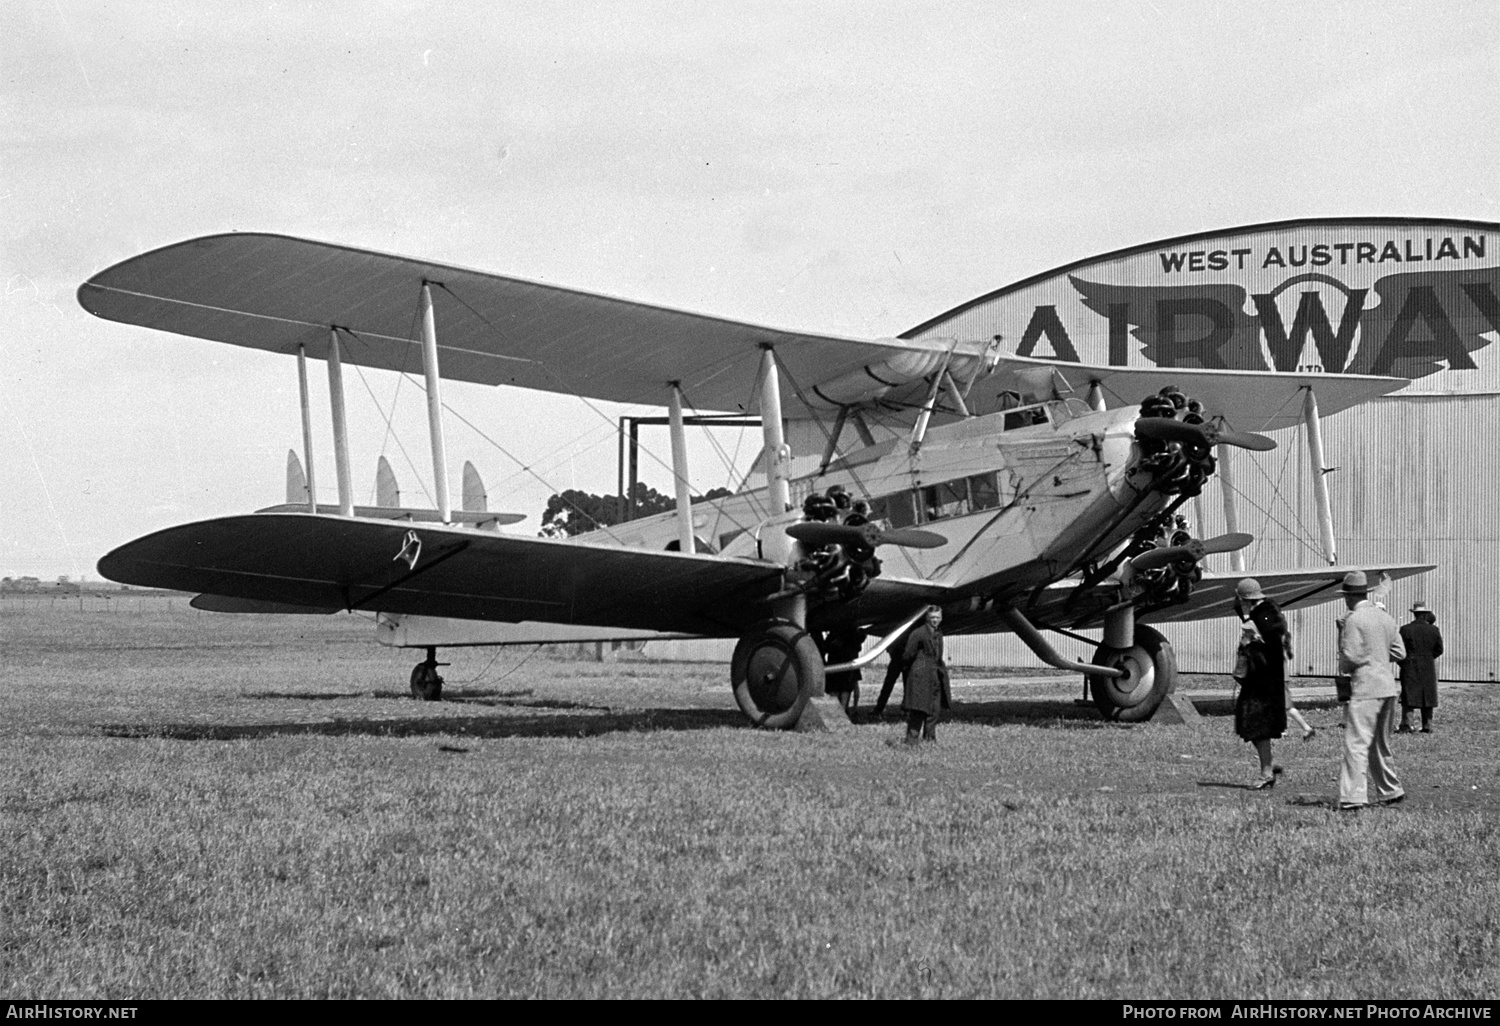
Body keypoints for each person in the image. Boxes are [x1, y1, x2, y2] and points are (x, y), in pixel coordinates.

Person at [1336, 570, 1407, 811]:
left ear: (1347, 596)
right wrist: (1378, 653)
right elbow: (1400, 653)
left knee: (1356, 743)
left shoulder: (1353, 620)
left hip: (1366, 686)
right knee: (1380, 743)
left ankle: (1353, 797)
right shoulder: (1385, 617)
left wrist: (1341, 635)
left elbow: (1351, 657)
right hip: (1387, 685)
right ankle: (1390, 790)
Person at [1234, 578, 1316, 742]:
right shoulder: (1273, 622)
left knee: (1280, 705)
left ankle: (1301, 728)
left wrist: (1248, 645)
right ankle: (1288, 728)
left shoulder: (1255, 623)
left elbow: (1253, 650)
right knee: (1283, 704)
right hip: (1278, 671)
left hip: (1264, 674)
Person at [1231, 578, 1289, 788]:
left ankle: (1266, 772)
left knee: (1256, 725)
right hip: (1269, 678)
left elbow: (1265, 642)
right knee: (1251, 723)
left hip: (1260, 680)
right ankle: (1269, 764)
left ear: (1245, 599)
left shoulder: (1261, 617)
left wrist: (1250, 644)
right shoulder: (1270, 612)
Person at [901, 606, 951, 745]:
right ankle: (911, 742)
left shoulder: (938, 633)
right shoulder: (918, 633)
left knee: (934, 710)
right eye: (932, 618)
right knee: (919, 709)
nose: (935, 620)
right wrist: (918, 666)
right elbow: (907, 654)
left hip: (935, 675)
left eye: (937, 617)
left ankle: (930, 740)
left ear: (941, 618)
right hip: (920, 675)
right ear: (927, 618)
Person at [1398, 601, 1444, 734]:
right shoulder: (1434, 630)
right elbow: (1439, 649)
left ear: (1414, 614)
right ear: (1425, 614)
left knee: (1408, 694)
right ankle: (1427, 725)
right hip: (1428, 664)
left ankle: (1407, 725)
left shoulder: (1405, 629)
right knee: (1428, 694)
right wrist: (1429, 657)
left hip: (1410, 664)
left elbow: (1400, 650)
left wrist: (1404, 662)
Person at [872, 621, 917, 718]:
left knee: (907, 685)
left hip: (906, 659)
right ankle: (879, 708)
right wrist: (892, 651)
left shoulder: (911, 627)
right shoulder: (896, 626)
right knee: (889, 684)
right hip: (897, 658)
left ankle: (906, 708)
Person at [822, 626, 864, 712]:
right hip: (845, 663)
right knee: (844, 688)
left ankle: (839, 710)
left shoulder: (835, 634)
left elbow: (825, 648)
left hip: (839, 664)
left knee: (840, 688)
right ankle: (843, 710)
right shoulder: (851, 633)